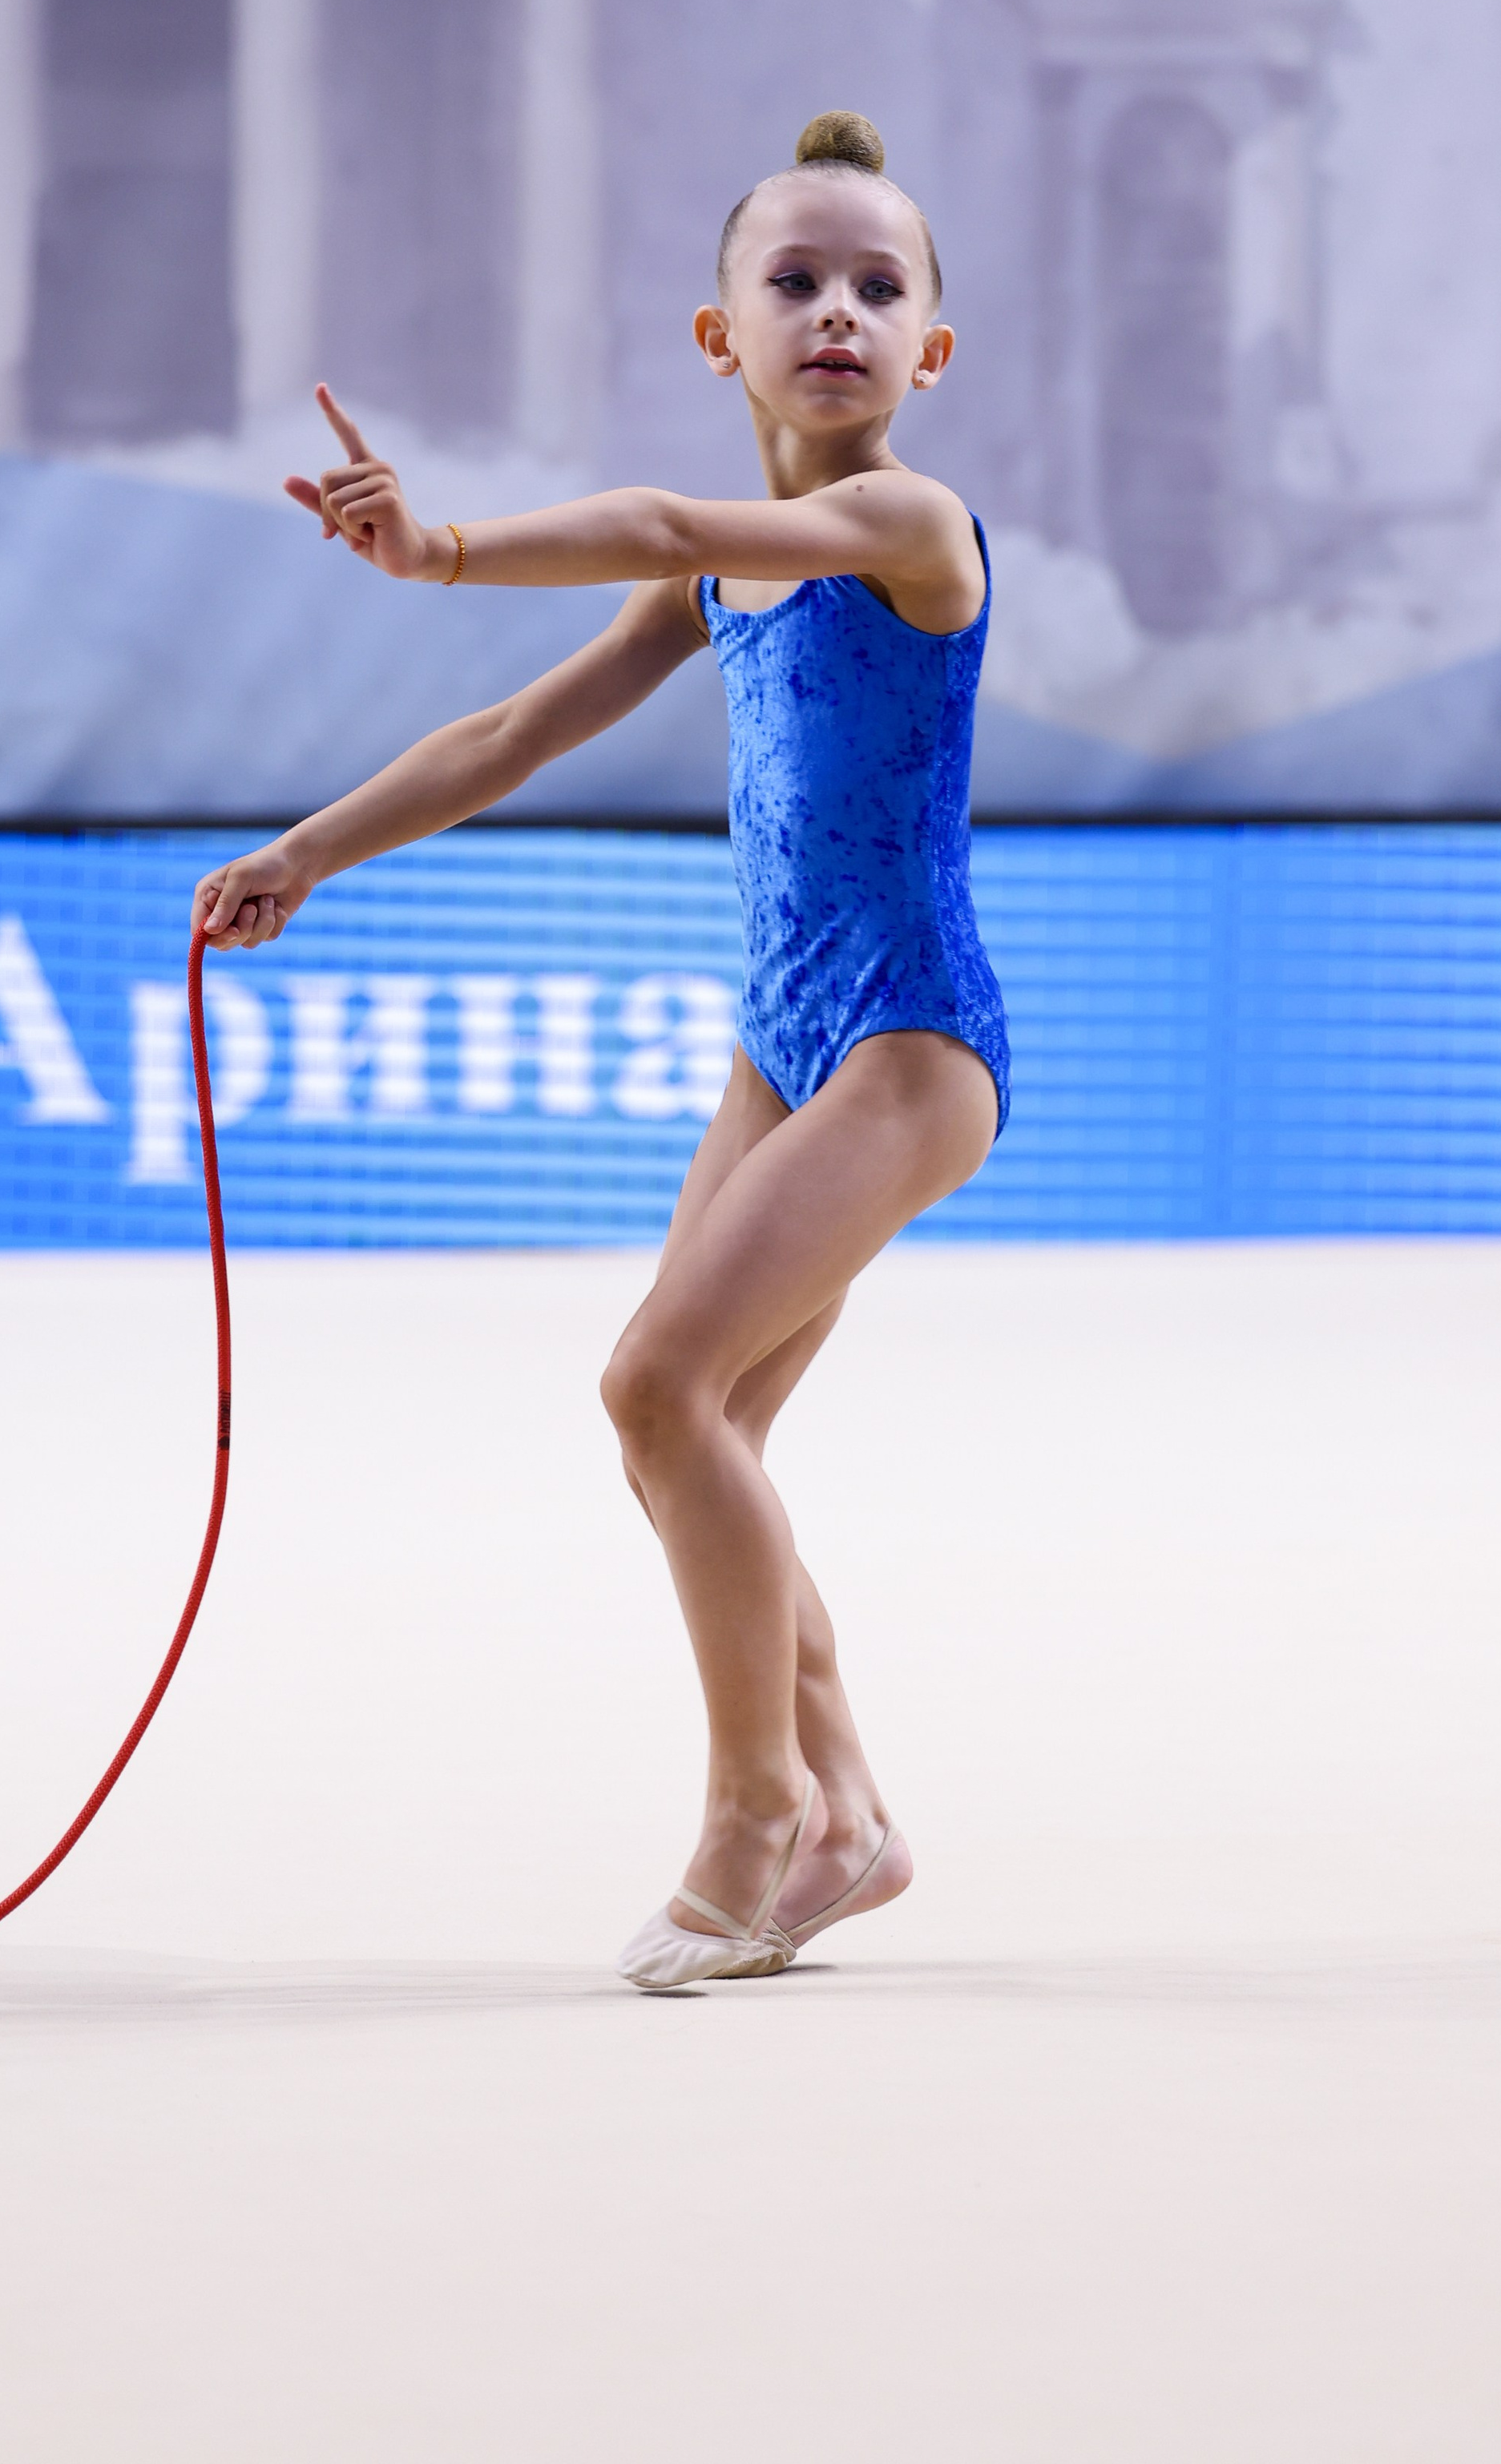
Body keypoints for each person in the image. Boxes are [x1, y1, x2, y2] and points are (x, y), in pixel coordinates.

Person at [193, 110, 1010, 1990]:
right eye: (792, 282)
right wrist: (304, 854)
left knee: (657, 1388)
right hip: (779, 1040)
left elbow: (654, 517)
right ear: (719, 336)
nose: (836, 312)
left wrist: (438, 548)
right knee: (688, 1436)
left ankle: (754, 1811)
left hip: (905, 1044)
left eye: (876, 287)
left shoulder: (903, 525)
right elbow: (507, 736)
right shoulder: (721, 579)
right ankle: (851, 1814)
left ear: (930, 348)